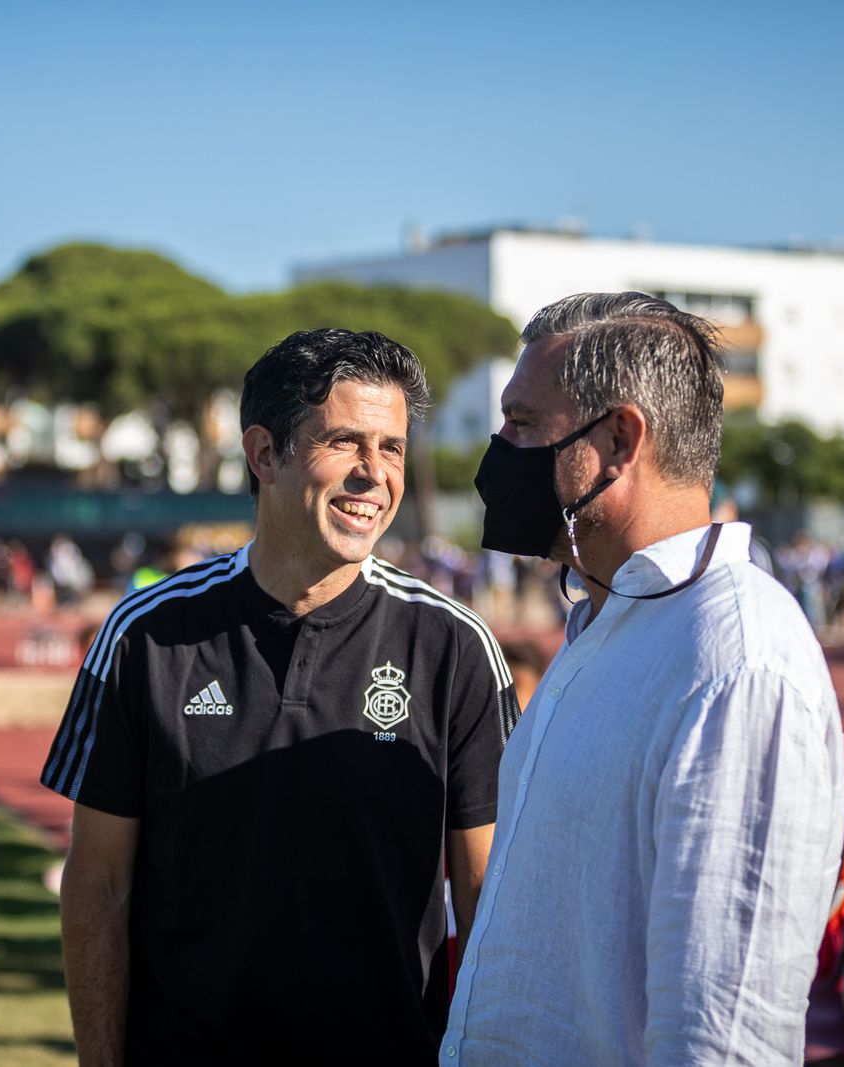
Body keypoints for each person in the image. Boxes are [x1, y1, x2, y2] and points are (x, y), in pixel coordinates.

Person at [41, 328, 516, 1065]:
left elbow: (490, 897)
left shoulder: (454, 646)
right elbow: (98, 884)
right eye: (345, 443)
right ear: (264, 453)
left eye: (390, 447)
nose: (374, 473)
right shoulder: (145, 636)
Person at [444, 292, 844, 1063]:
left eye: (523, 424)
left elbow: (723, 1035)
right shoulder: (608, 618)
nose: (498, 451)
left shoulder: (736, 659)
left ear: (620, 440)